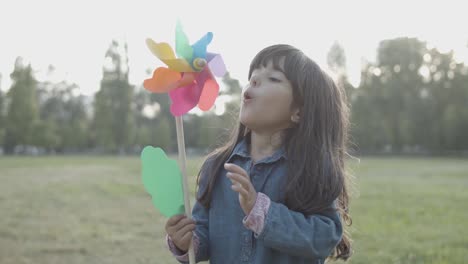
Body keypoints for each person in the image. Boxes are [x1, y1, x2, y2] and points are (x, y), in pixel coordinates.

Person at [165, 44, 353, 263]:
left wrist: (261, 211)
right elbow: (203, 236)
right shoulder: (217, 167)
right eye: (253, 75)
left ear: (299, 112)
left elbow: (324, 237)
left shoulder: (310, 169)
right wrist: (185, 241)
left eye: (273, 78)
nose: (253, 80)